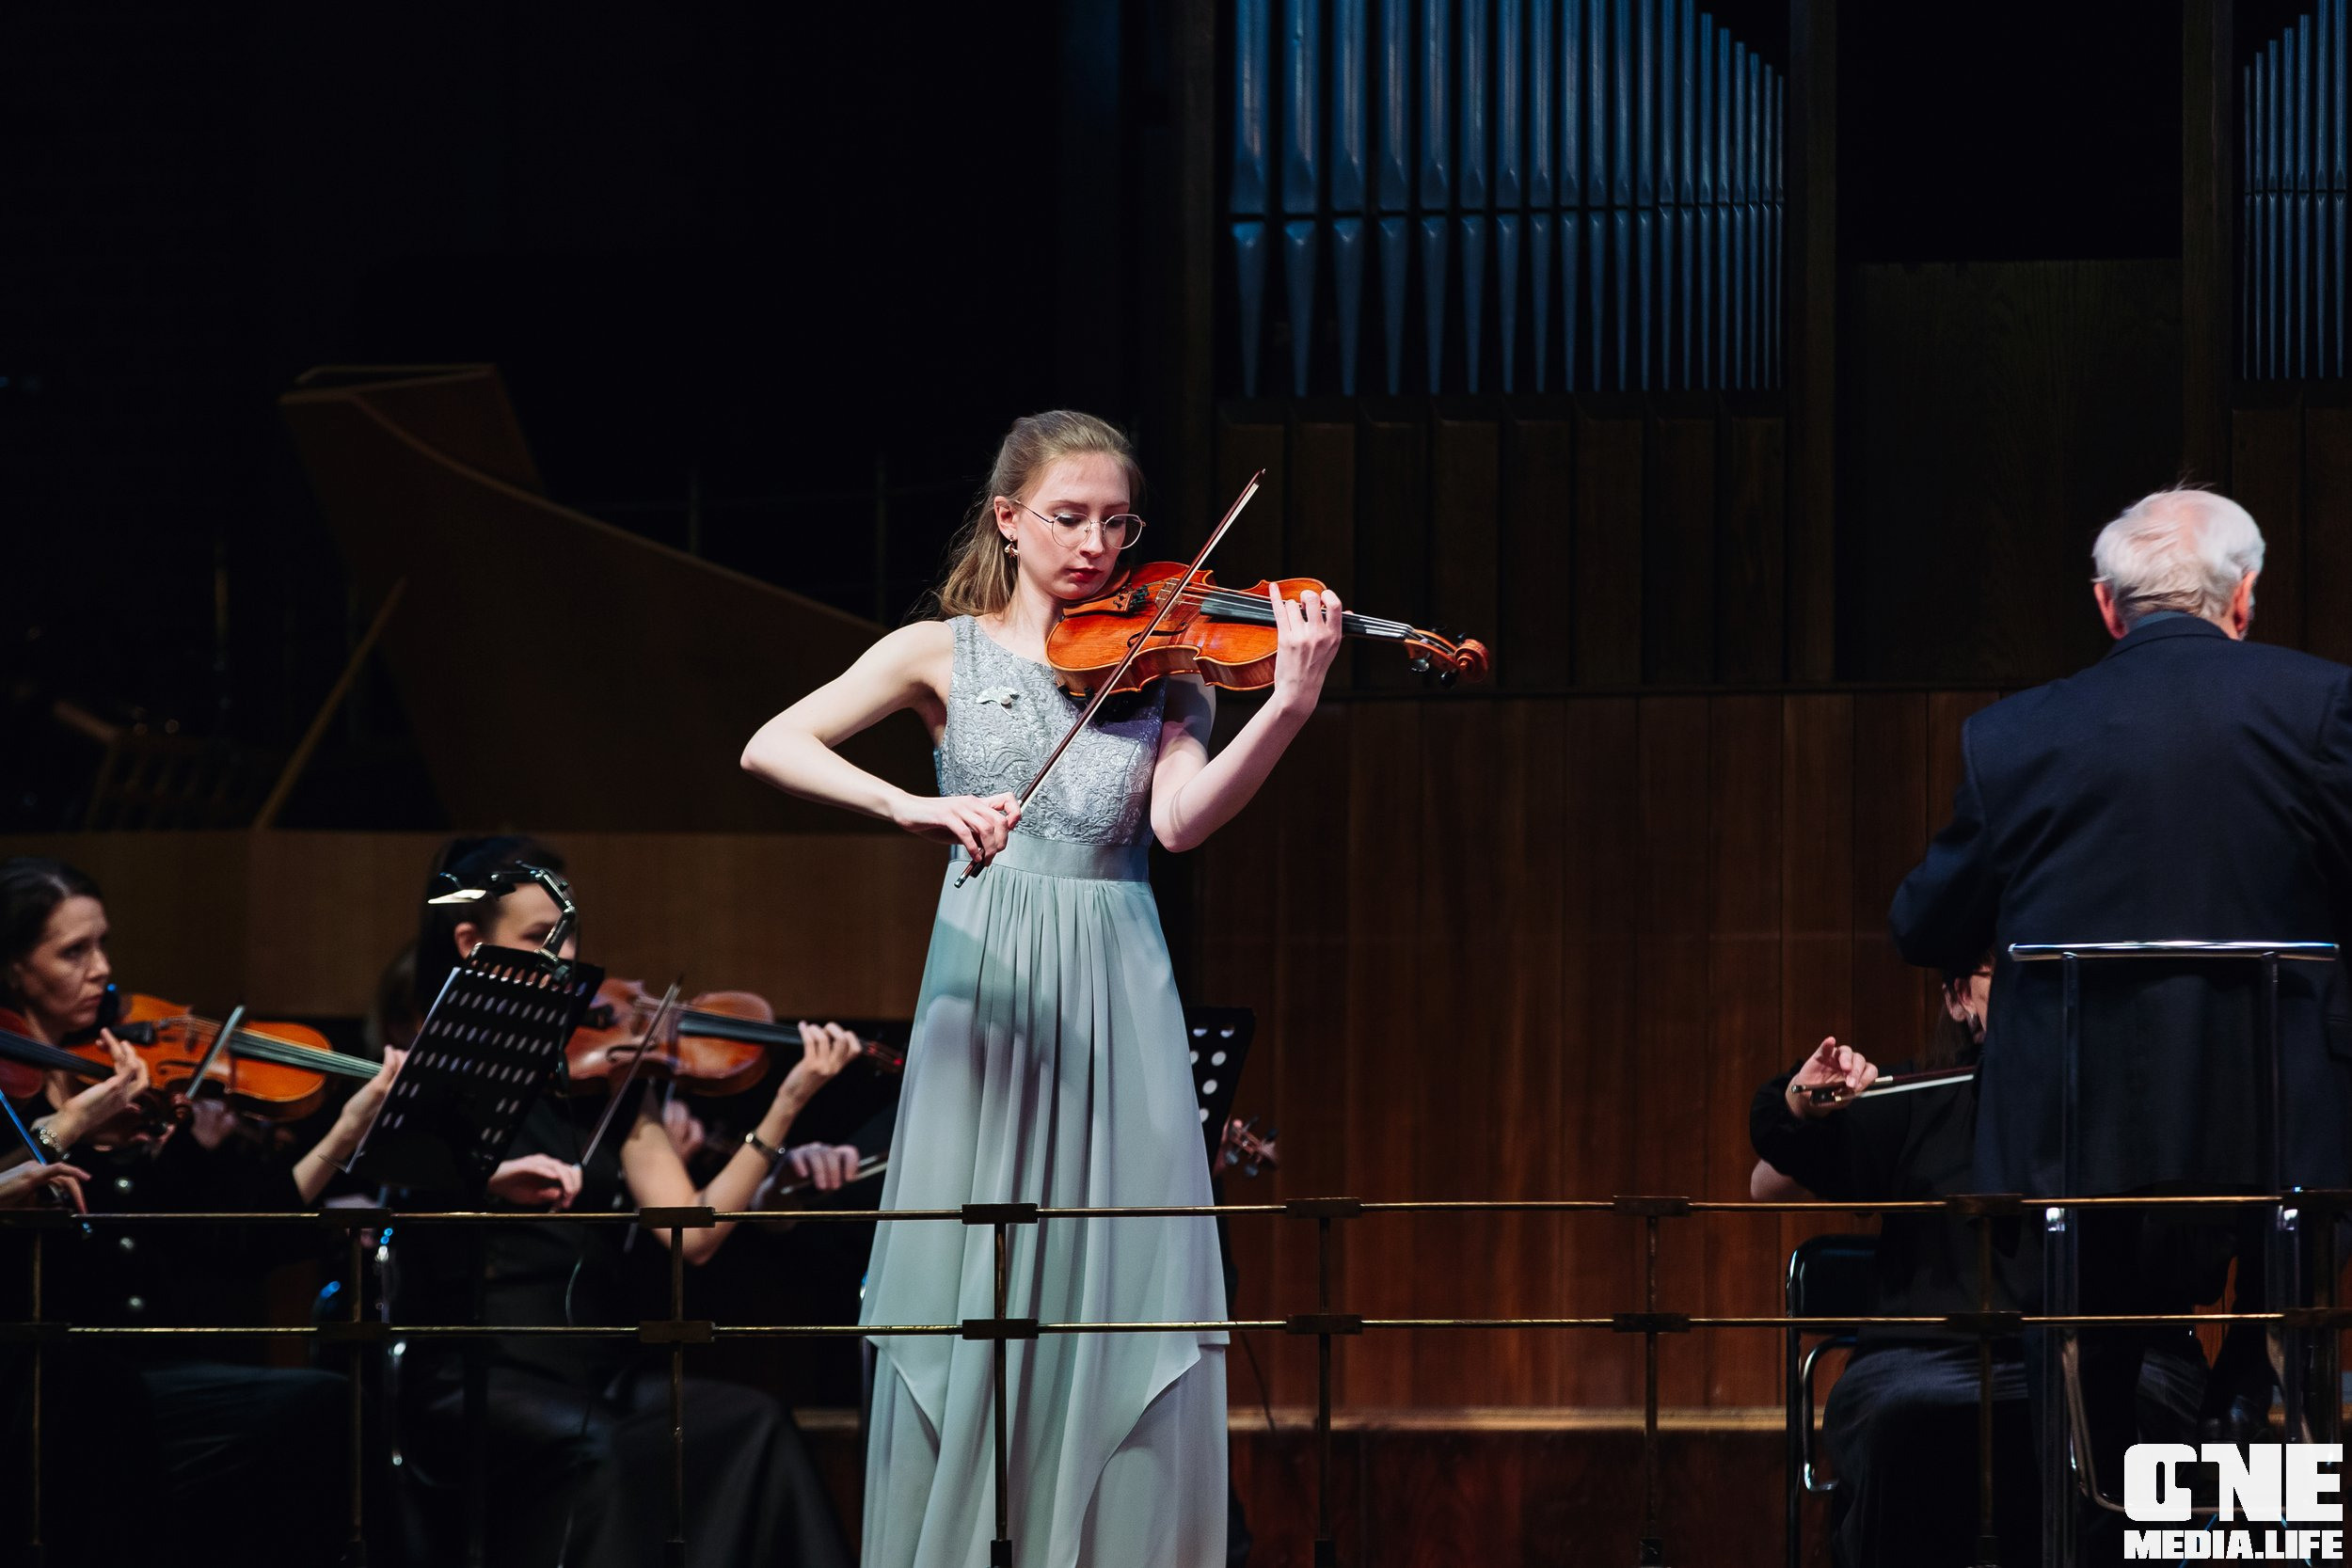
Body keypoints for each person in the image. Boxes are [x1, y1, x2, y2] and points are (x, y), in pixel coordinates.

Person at [739, 409, 1345, 1568]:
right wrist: (911, 806)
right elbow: (775, 743)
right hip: (991, 980)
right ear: (1009, 519)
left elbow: (1176, 823)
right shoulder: (941, 651)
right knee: (969, 1273)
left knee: (1121, 1282)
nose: (1095, 544)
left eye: (1117, 522)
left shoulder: (1164, 663)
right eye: (1068, 517)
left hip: (1117, 982)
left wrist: (1288, 702)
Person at [1889, 487, 2352, 1550]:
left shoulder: (2009, 737)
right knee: (2303, 1226)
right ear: (2244, 601)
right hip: (2277, 1127)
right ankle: (2250, 1383)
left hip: (2075, 1135)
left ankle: (2092, 1509)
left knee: (2081, 1300)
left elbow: (1924, 924)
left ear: (2107, 607)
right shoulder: (2321, 705)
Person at [399, 835, 855, 1568]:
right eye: (540, 939)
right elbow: (412, 1187)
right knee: (597, 1450)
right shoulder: (437, 1071)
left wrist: (786, 1104)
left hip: (595, 1375)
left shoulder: (611, 1077)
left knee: (754, 1422)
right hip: (477, 1376)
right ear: (468, 943)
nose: (567, 958)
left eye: (569, 932)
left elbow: (692, 1234)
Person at [0, 855, 402, 1568]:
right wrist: (79, 1120)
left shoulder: (121, 1077)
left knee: (323, 1409)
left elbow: (239, 1240)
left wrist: (348, 1127)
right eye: (73, 951)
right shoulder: (22, 1094)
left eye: (102, 944)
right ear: (13, 969)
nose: (103, 969)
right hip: (42, 1385)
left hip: (139, 1376)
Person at [1751, 957, 2201, 1567]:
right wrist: (1804, 1104)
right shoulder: (1921, 1092)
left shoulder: (2126, 1096)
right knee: (1907, 1423)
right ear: (1961, 997)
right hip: (1929, 1357)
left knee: (2129, 1422)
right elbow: (1767, 1183)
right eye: (2007, 973)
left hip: (2112, 1351)